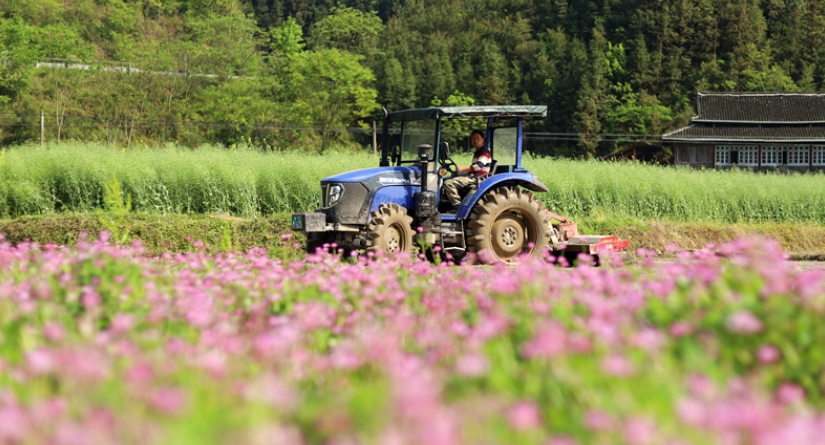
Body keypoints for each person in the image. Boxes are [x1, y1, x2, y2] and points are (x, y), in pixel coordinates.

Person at [442, 130, 492, 209]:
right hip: (472, 176)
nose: (475, 140)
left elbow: (478, 166)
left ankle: (457, 207)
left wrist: (462, 169)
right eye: (473, 138)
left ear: (483, 139)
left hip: (478, 178)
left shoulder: (484, 152)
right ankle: (444, 205)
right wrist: (457, 173)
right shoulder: (477, 152)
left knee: (449, 183)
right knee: (443, 180)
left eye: (477, 138)